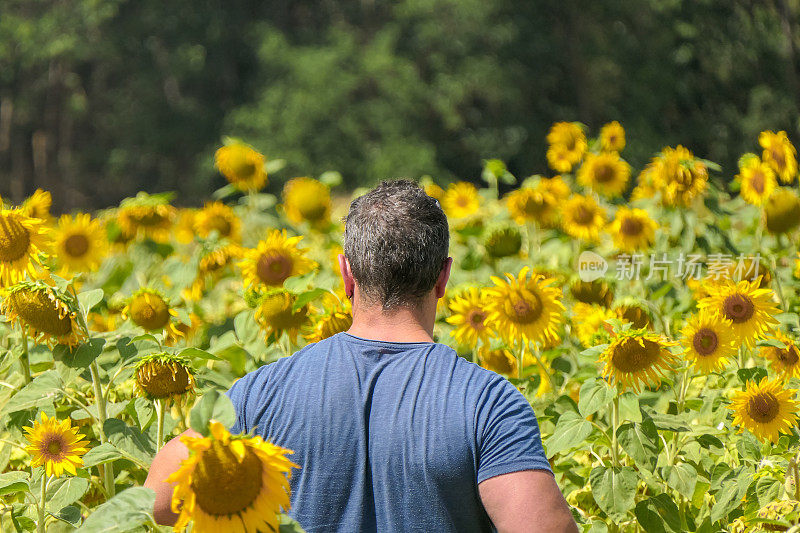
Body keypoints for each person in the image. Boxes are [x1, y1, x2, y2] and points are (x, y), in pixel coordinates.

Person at [145, 179, 578, 532]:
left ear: (346, 274)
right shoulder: (486, 402)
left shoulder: (265, 392)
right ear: (443, 277)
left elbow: (160, 502)